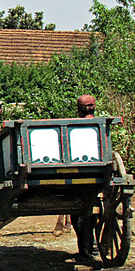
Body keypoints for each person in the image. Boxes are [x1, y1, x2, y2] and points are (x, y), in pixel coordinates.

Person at [54, 94, 97, 236]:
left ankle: (85, 248)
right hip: (98, 173)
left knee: (78, 212)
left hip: (77, 173)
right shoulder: (100, 125)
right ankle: (93, 245)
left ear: (79, 110)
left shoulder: (75, 126)